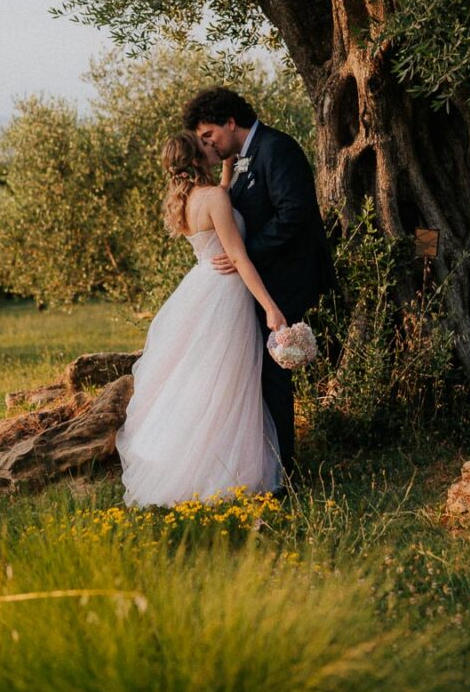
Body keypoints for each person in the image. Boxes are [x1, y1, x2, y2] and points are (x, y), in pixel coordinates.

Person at [115, 131, 288, 507]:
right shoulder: (216, 198)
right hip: (226, 294)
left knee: (201, 378)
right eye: (205, 146)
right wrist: (271, 308)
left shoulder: (188, 200)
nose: (212, 146)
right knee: (228, 382)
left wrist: (226, 168)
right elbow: (239, 257)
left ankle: (190, 460)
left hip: (200, 286)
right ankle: (223, 472)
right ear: (196, 159)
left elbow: (218, 205)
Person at [184, 87, 334, 480]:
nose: (209, 145)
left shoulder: (277, 148)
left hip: (287, 277)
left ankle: (283, 472)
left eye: (209, 135)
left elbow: (293, 215)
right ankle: (259, 463)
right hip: (258, 282)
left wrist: (243, 253)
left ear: (231, 122)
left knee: (273, 378)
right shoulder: (241, 159)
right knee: (257, 377)